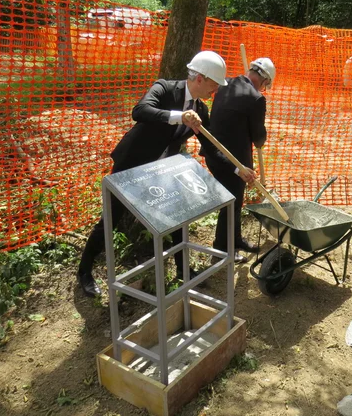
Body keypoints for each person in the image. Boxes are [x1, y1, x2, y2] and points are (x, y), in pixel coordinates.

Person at [77, 51, 256, 297]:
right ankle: (85, 272)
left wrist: (239, 169)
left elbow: (212, 146)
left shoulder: (201, 110)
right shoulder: (164, 88)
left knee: (177, 219)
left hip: (162, 171)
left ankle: (184, 271)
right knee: (110, 221)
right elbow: (140, 111)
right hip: (131, 166)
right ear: (201, 78)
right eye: (215, 83)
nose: (216, 89)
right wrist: (177, 117)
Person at [203, 58, 274, 263]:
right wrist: (261, 138)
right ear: (264, 80)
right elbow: (258, 136)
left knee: (235, 201)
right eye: (265, 85)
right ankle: (222, 251)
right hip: (232, 162)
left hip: (214, 154)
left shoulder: (225, 84)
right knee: (231, 203)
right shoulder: (256, 98)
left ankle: (235, 240)